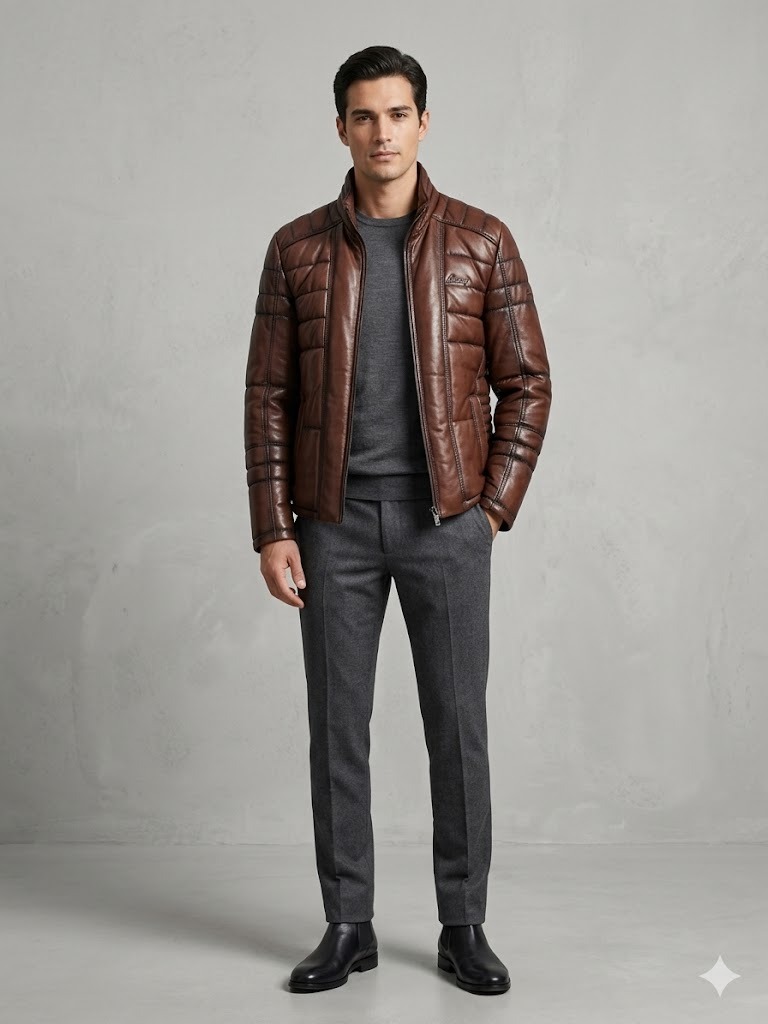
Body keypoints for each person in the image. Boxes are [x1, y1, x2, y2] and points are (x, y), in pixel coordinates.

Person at [243, 44, 552, 996]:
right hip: (331, 526)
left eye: (398, 114)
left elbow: (527, 383)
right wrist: (274, 527)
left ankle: (464, 925)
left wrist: (491, 509)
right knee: (338, 731)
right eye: (364, 116)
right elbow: (267, 397)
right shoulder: (296, 249)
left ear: (424, 123)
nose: (383, 132)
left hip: (446, 525)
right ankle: (348, 924)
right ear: (341, 128)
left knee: (457, 729)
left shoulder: (481, 241)